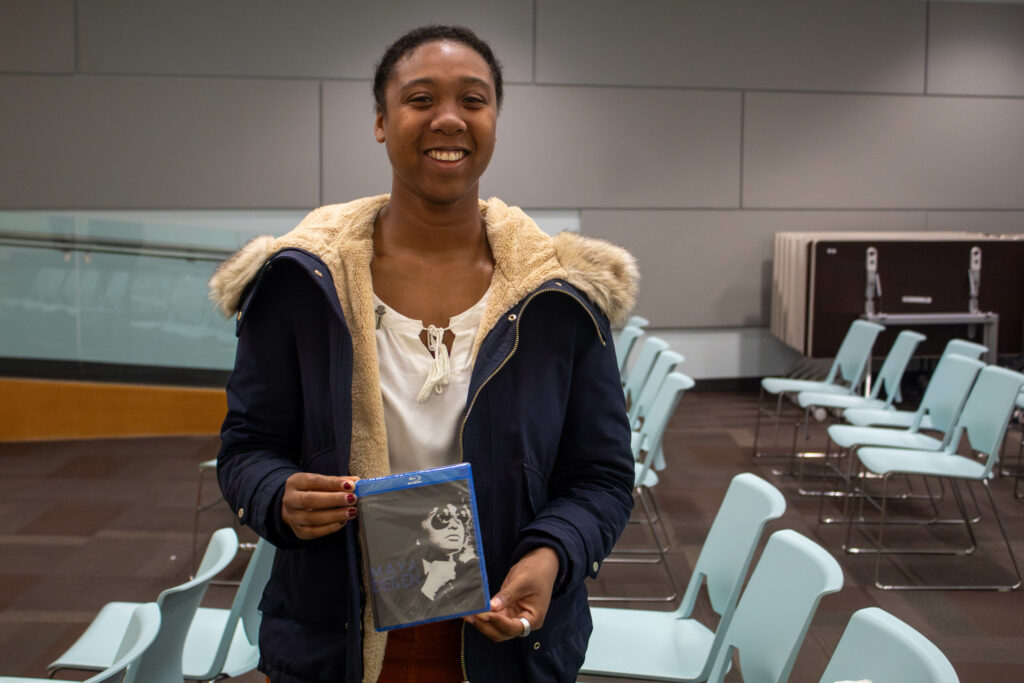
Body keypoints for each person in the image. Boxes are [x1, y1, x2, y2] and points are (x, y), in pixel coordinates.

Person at [209, 24, 637, 683]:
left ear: (495, 119)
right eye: (420, 99)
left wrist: (553, 554)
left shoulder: (559, 297)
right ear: (381, 121)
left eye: (473, 99)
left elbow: (600, 476)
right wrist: (277, 495)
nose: (449, 119)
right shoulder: (301, 282)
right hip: (338, 636)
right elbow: (247, 447)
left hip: (501, 639)